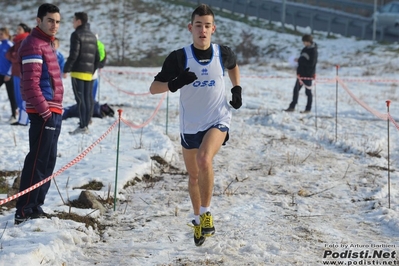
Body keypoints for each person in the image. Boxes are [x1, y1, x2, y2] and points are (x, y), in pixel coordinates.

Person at [149, 4, 242, 247]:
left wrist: (237, 88)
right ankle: (198, 217)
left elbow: (233, 67)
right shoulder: (179, 57)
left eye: (207, 26)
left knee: (204, 160)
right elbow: (153, 88)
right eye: (198, 25)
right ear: (191, 28)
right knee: (193, 176)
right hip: (190, 125)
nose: (203, 30)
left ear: (214, 29)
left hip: (217, 119)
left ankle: (207, 212)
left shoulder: (223, 53)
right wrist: (175, 83)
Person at [14, 3, 63, 225]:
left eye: (58, 21)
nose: (55, 25)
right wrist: (44, 111)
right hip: (44, 112)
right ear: (39, 21)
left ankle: (36, 206)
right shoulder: (34, 44)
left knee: (48, 160)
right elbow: (31, 84)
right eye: (50, 20)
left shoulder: (47, 44)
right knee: (38, 160)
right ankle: (25, 209)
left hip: (54, 109)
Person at [63, 12, 99, 135]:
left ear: (79, 21)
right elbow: (97, 57)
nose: (72, 23)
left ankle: (83, 126)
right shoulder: (93, 36)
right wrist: (92, 70)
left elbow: (74, 54)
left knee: (80, 100)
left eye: (73, 20)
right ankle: (86, 123)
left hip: (78, 72)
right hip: (89, 73)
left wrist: (66, 69)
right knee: (88, 99)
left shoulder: (76, 34)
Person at [285, 34, 318, 113]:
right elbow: (302, 60)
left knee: (308, 92)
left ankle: (308, 109)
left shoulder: (313, 51)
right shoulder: (304, 49)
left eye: (304, 42)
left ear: (308, 41)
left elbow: (312, 64)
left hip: (308, 74)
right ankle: (292, 107)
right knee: (295, 90)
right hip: (301, 74)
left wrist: (300, 61)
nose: (303, 43)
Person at [6, 23, 31, 126]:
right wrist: (13, 54)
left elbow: (17, 57)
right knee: (18, 97)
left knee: (22, 97)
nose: (17, 30)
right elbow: (8, 54)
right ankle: (21, 118)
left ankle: (24, 120)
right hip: (16, 73)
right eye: (17, 28)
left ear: (25, 31)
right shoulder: (16, 41)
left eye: (19, 29)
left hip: (23, 73)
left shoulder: (25, 41)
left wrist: (13, 56)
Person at [0, 27, 17, 123]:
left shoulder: (10, 45)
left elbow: (13, 62)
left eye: (2, 34)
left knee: (11, 95)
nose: (0, 36)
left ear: (7, 34)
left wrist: (9, 74)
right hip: (0, 73)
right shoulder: (1, 45)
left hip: (9, 75)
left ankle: (14, 115)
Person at [92, 35, 106, 101]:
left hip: (90, 70)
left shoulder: (98, 45)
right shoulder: (100, 45)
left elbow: (102, 56)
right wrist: (100, 65)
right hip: (94, 70)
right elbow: (103, 56)